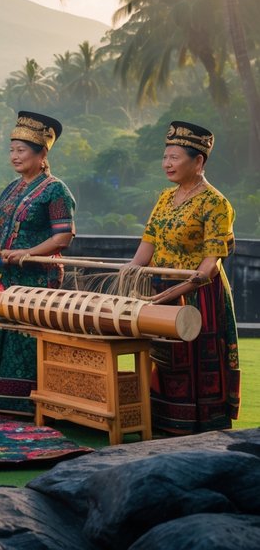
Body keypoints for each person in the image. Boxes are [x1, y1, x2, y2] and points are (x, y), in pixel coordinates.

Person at [127, 121, 240, 435]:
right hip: (159, 287)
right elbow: (147, 243)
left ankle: (198, 424)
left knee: (192, 360)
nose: (167, 164)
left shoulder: (216, 204)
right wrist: (129, 272)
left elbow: (210, 264)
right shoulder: (165, 197)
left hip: (197, 293)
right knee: (162, 357)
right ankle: (161, 418)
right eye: (165, 157)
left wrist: (180, 288)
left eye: (175, 158)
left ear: (199, 162)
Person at [0, 111, 75, 415]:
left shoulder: (56, 190)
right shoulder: (13, 188)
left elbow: (62, 237)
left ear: (42, 154)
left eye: (21, 151)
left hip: (38, 280)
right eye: (11, 150)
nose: (14, 156)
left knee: (24, 338)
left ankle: (24, 402)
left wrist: (28, 253)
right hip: (7, 276)